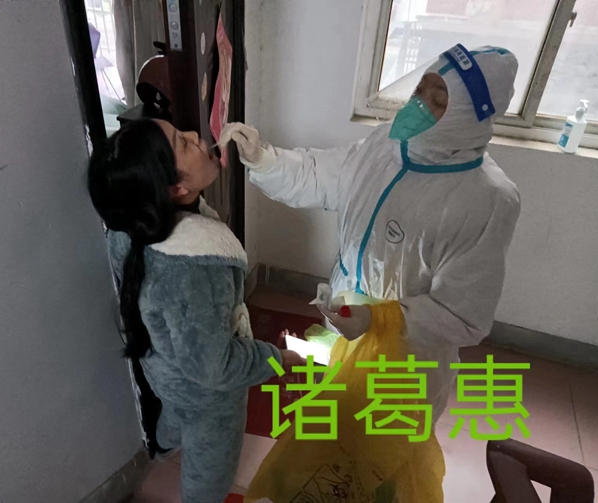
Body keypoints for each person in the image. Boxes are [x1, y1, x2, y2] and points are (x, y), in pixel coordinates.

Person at [221, 44, 522, 423]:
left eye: (438, 100)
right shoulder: (385, 145)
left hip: (404, 363)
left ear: (468, 117)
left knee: (381, 446)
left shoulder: (486, 199)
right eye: (420, 90)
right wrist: (264, 159)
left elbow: (463, 316)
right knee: (334, 430)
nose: (418, 105)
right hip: (343, 326)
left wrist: (379, 319)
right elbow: (321, 175)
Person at [87, 119, 303, 503]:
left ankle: (163, 444)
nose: (195, 136)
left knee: (175, 413)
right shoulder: (195, 268)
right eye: (182, 143)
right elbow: (214, 368)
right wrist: (275, 359)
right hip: (207, 399)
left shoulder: (131, 224)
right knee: (208, 483)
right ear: (176, 189)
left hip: (166, 372)